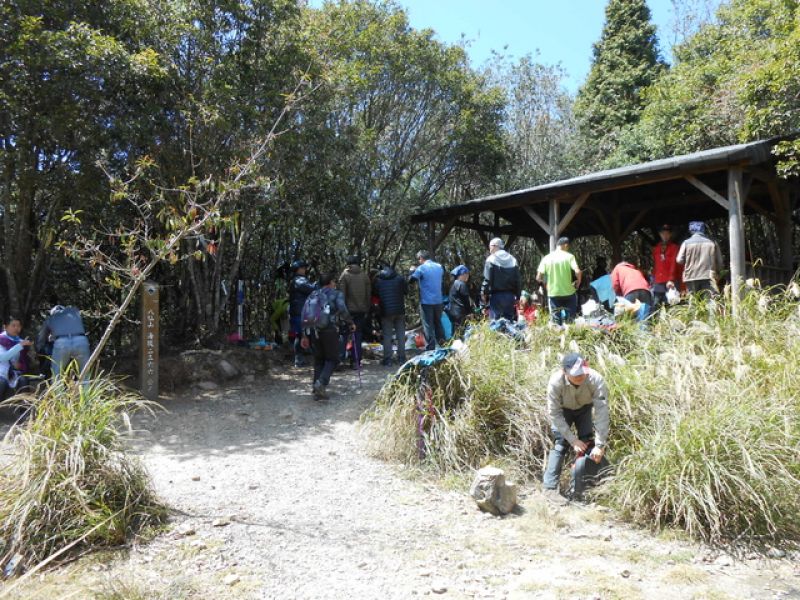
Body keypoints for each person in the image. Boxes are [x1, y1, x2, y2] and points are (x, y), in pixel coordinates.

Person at [542, 352, 610, 505]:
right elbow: (555, 413)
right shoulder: (555, 382)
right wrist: (572, 440)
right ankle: (550, 488)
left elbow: (602, 412)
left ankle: (585, 486)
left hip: (584, 408)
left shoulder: (596, 379)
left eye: (582, 373)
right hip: (563, 412)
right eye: (576, 374)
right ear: (564, 372)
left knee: (588, 443)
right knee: (560, 444)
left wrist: (600, 445)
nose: (581, 377)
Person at [301, 273, 355, 400]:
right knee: (333, 359)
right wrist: (351, 323)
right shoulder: (336, 294)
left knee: (319, 359)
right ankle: (321, 383)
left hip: (314, 330)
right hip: (330, 329)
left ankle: (316, 388)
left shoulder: (312, 295)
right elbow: (342, 308)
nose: (335, 284)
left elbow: (304, 313)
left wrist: (304, 334)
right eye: (334, 282)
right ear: (330, 282)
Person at [536, 237, 582, 326]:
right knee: (570, 321)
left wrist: (545, 285)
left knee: (556, 322)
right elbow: (577, 271)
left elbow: (538, 277)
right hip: (569, 293)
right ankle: (569, 337)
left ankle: (558, 337)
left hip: (553, 294)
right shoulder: (569, 256)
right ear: (565, 245)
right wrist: (578, 282)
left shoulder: (546, 258)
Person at [37, 305, 91, 377]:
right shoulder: (75, 317)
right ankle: (85, 387)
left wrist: (39, 351)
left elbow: (42, 339)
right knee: (84, 375)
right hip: (81, 341)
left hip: (63, 343)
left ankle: (56, 385)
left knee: (57, 375)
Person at [372, 263, 408, 366]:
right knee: (400, 334)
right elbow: (406, 291)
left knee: (387, 335)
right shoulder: (400, 279)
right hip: (400, 310)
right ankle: (401, 358)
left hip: (386, 311)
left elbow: (375, 295)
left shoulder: (378, 281)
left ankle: (388, 360)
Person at [409, 250, 445, 351]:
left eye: (419, 259)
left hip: (427, 302)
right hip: (439, 300)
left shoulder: (421, 268)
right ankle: (442, 343)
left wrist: (412, 271)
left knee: (428, 325)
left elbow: (411, 280)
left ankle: (431, 348)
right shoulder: (439, 266)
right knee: (438, 322)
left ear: (421, 258)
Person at [339, 256, 371, 367]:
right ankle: (355, 362)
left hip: (348, 310)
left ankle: (340, 360)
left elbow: (342, 295)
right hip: (361, 310)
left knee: (344, 335)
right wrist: (367, 307)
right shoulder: (364, 276)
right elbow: (368, 294)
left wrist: (341, 310)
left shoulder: (345, 275)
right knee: (357, 335)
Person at [676, 221, 724, 296]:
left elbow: (679, 260)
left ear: (691, 230)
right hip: (708, 276)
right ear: (703, 230)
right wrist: (718, 273)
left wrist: (689, 260)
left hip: (691, 276)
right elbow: (720, 262)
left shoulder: (686, 243)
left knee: (694, 302)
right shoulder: (712, 242)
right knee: (709, 301)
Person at [481, 238, 521, 321]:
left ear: (495, 246)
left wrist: (484, 293)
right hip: (510, 296)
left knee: (495, 322)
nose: (490, 249)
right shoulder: (513, 259)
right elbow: (518, 280)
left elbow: (487, 279)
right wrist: (518, 296)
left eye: (490, 247)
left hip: (496, 296)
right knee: (509, 321)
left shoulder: (491, 259)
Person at [288, 260, 316, 367]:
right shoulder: (299, 280)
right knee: (301, 335)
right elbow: (311, 289)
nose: (305, 269)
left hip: (301, 312)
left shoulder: (298, 280)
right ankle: (299, 360)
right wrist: (319, 283)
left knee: (303, 335)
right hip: (300, 312)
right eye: (303, 268)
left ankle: (301, 359)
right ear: (298, 269)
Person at [0, 316, 34, 400]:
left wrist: (21, 366)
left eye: (18, 326)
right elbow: (3, 358)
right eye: (13, 325)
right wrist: (20, 345)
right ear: (5, 327)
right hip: (1, 372)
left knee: (24, 380)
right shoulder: (1, 339)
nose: (16, 328)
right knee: (1, 383)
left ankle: (24, 410)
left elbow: (25, 360)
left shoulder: (20, 341)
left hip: (14, 373)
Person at [610, 256, 653, 321]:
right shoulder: (634, 269)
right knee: (645, 315)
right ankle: (645, 329)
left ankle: (634, 330)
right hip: (645, 290)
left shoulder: (617, 268)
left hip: (630, 291)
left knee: (630, 317)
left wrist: (620, 296)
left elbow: (615, 284)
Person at [651, 224, 682, 307]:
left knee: (672, 303)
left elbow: (674, 264)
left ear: (670, 234)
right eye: (663, 233)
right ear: (660, 234)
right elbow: (655, 265)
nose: (665, 236)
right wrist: (653, 278)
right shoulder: (656, 249)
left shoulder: (674, 248)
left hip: (670, 280)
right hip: (659, 280)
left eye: (667, 233)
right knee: (656, 304)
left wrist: (671, 279)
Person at [447, 265, 472, 331]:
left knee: (457, 332)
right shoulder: (461, 284)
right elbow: (466, 300)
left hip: (453, 313)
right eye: (466, 274)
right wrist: (470, 312)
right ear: (462, 274)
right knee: (465, 332)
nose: (468, 276)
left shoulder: (454, 284)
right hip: (460, 313)